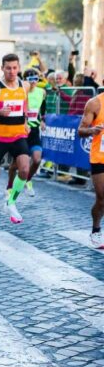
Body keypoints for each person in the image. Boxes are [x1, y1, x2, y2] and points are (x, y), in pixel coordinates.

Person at [0, 54, 32, 227]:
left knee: (25, 170)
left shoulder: (24, 85)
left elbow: (24, 107)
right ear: (3, 68)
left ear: (19, 68)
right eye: (8, 68)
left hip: (18, 136)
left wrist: (25, 123)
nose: (12, 71)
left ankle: (11, 202)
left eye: (15, 68)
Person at [7, 68, 46, 197]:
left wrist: (42, 120)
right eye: (30, 79)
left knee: (36, 160)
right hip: (21, 131)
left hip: (34, 130)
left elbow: (42, 108)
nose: (33, 82)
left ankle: (27, 179)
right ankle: (9, 186)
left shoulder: (42, 92)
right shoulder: (20, 92)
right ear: (25, 80)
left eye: (36, 79)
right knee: (14, 164)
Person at [78, 91, 104, 249]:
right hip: (100, 158)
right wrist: (92, 130)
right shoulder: (95, 103)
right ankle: (96, 229)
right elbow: (81, 130)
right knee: (102, 199)